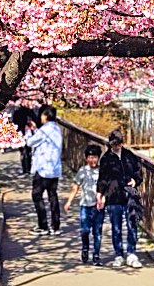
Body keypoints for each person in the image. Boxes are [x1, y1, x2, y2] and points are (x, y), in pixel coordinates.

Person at [96, 128, 143, 268]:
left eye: (118, 144)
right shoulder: (106, 158)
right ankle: (118, 254)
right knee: (116, 227)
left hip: (129, 195)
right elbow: (102, 178)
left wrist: (135, 180)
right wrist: (100, 194)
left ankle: (131, 253)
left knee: (132, 223)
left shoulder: (129, 156)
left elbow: (138, 171)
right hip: (113, 196)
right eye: (114, 144)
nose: (116, 146)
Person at [24, 103, 62, 234]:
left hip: (43, 169)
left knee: (36, 195)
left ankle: (43, 225)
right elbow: (42, 139)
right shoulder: (57, 129)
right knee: (53, 196)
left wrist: (29, 131)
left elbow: (30, 142)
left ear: (45, 115)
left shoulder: (45, 130)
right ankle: (55, 226)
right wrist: (35, 130)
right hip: (55, 169)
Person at [64, 143, 104, 264]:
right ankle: (85, 248)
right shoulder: (82, 171)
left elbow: (106, 188)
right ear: (86, 158)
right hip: (85, 206)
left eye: (95, 157)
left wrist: (103, 199)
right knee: (85, 230)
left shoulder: (102, 171)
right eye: (90, 157)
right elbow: (75, 187)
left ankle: (96, 256)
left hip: (98, 206)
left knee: (97, 232)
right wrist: (69, 202)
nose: (93, 160)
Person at [11, 102, 37, 175]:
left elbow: (14, 123)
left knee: (23, 152)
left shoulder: (17, 112)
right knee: (28, 151)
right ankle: (28, 168)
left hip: (20, 133)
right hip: (27, 133)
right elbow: (35, 120)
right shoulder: (29, 111)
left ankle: (25, 168)